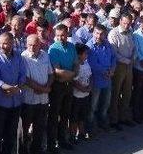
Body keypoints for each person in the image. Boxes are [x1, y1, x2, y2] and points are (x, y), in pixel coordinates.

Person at [0, 32, 26, 154]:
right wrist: (8, 88)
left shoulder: (19, 57)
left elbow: (22, 75)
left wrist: (17, 87)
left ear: (12, 43)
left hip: (16, 102)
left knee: (11, 134)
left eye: (5, 43)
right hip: (0, 102)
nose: (1, 46)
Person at [21, 34, 53, 154]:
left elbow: (50, 74)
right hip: (29, 99)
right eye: (29, 45)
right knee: (25, 127)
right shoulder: (23, 57)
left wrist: (47, 86)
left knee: (39, 127)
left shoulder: (45, 55)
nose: (32, 47)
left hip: (43, 99)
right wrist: (42, 88)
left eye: (35, 45)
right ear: (26, 44)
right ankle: (24, 149)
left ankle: (36, 149)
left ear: (40, 44)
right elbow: (25, 79)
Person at [47, 24, 78, 152]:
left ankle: (62, 140)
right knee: (54, 115)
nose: (60, 38)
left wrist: (71, 74)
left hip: (68, 85)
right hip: (57, 86)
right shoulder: (53, 49)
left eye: (63, 35)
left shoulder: (71, 46)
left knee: (66, 114)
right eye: (58, 35)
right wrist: (73, 74)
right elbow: (57, 71)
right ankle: (51, 143)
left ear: (67, 34)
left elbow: (76, 64)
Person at [86, 24, 115, 131]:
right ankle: (90, 126)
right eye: (97, 33)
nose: (98, 36)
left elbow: (113, 58)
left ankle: (102, 122)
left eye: (101, 34)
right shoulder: (89, 46)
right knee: (93, 105)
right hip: (96, 80)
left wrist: (112, 70)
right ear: (93, 33)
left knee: (106, 103)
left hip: (107, 79)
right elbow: (92, 63)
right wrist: (105, 72)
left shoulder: (107, 44)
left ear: (105, 34)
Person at [70, 43, 91, 143]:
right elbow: (74, 81)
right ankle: (72, 135)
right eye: (85, 54)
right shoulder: (76, 65)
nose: (87, 55)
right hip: (76, 95)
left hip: (85, 95)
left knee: (83, 115)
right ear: (79, 55)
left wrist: (89, 87)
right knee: (74, 116)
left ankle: (81, 133)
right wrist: (82, 89)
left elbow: (90, 76)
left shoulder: (86, 63)